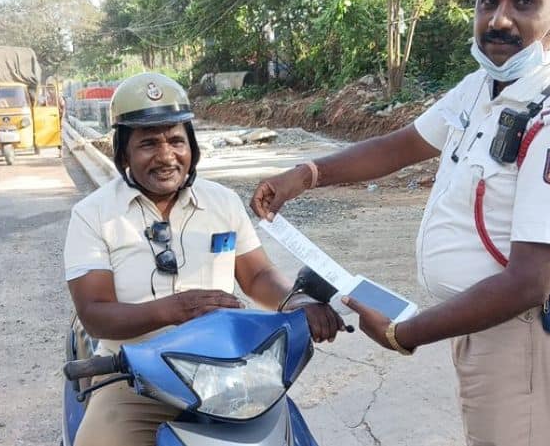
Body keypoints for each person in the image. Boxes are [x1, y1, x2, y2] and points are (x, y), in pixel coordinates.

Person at [251, 0, 550, 446]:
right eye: (489, 2)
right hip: (481, 321)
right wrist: (307, 174)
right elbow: (401, 145)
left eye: (523, 2)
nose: (500, 19)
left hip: (523, 331)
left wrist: (406, 333)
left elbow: (530, 280)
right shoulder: (486, 85)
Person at [63, 72, 344, 446]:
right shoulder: (93, 214)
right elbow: (95, 313)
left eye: (176, 141)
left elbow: (257, 274)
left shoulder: (222, 202)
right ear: (123, 153)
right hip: (135, 377)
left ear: (192, 147)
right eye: (148, 143)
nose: (166, 156)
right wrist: (173, 310)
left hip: (226, 374)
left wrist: (297, 301)